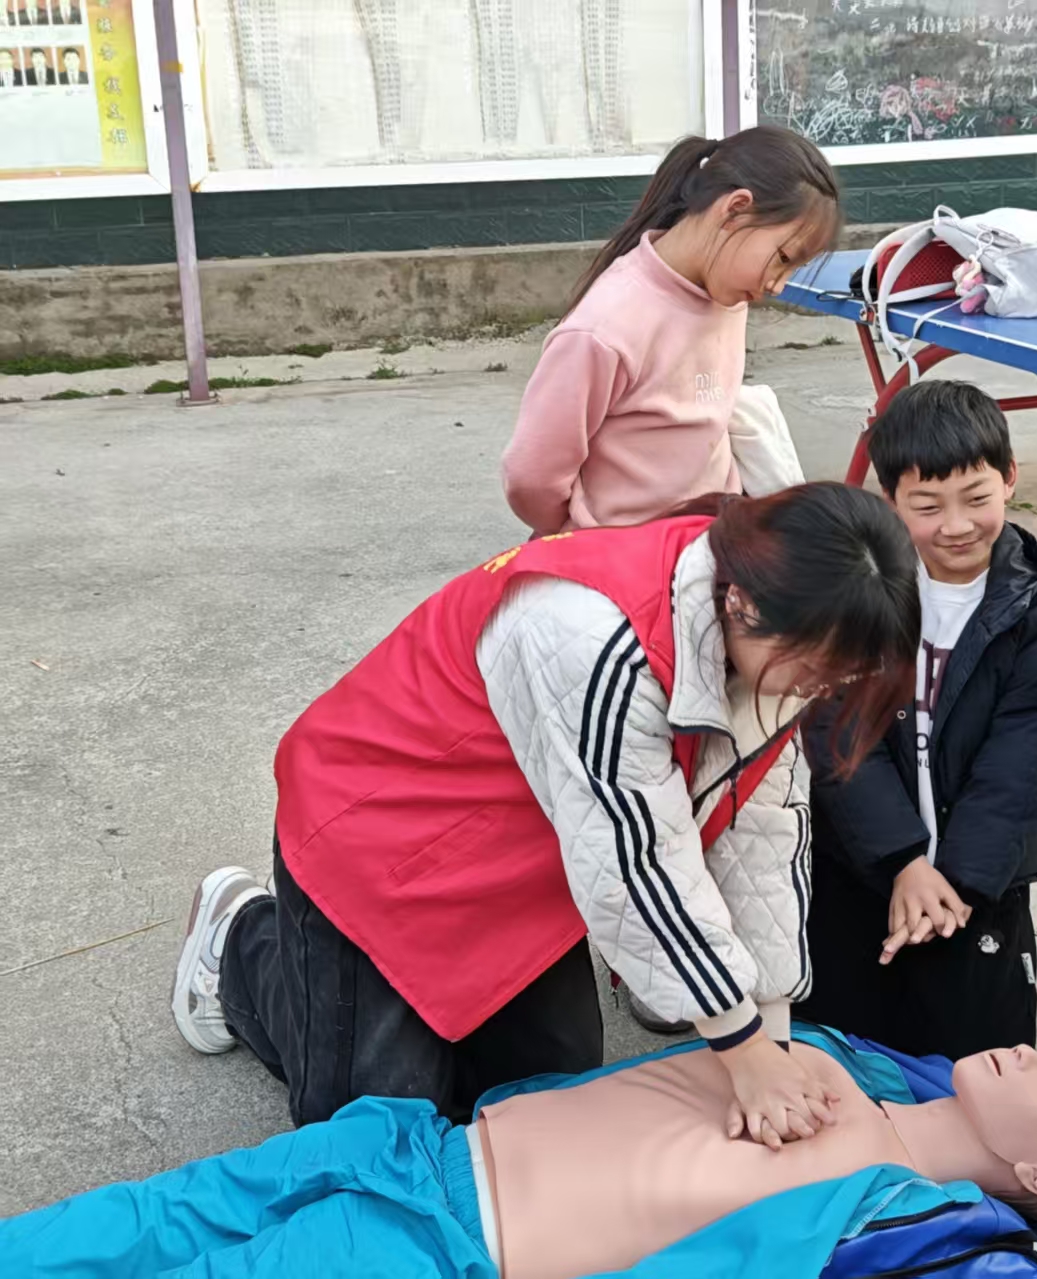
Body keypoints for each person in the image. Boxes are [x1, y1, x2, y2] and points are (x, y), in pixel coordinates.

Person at [170, 484, 920, 1149]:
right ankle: (240, 943)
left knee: (546, 1096)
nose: (826, 689)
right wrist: (741, 1047)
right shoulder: (593, 632)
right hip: (381, 830)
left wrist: (771, 1037)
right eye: (821, 668)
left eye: (847, 674)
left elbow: (763, 840)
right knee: (380, 1126)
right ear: (742, 605)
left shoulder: (783, 637)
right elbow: (637, 865)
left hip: (529, 848)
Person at [1, 1030, 1037, 1279]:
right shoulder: (850, 1060)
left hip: (443, 1249)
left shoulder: (901, 1223)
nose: (1028, 1055)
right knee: (144, 1216)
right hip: (419, 1141)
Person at [798, 382, 1037, 1059]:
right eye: (927, 506)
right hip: (864, 866)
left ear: (1010, 478)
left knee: (977, 1065)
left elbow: (1020, 775)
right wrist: (902, 860)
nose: (955, 525)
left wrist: (953, 885)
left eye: (976, 498)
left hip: (978, 883)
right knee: (841, 1051)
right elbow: (840, 731)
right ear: (890, 499)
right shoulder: (856, 594)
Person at [501, 125, 840, 535]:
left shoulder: (726, 296)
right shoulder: (604, 328)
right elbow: (531, 477)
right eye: (783, 258)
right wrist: (586, 538)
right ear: (735, 210)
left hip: (712, 540)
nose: (779, 286)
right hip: (627, 558)